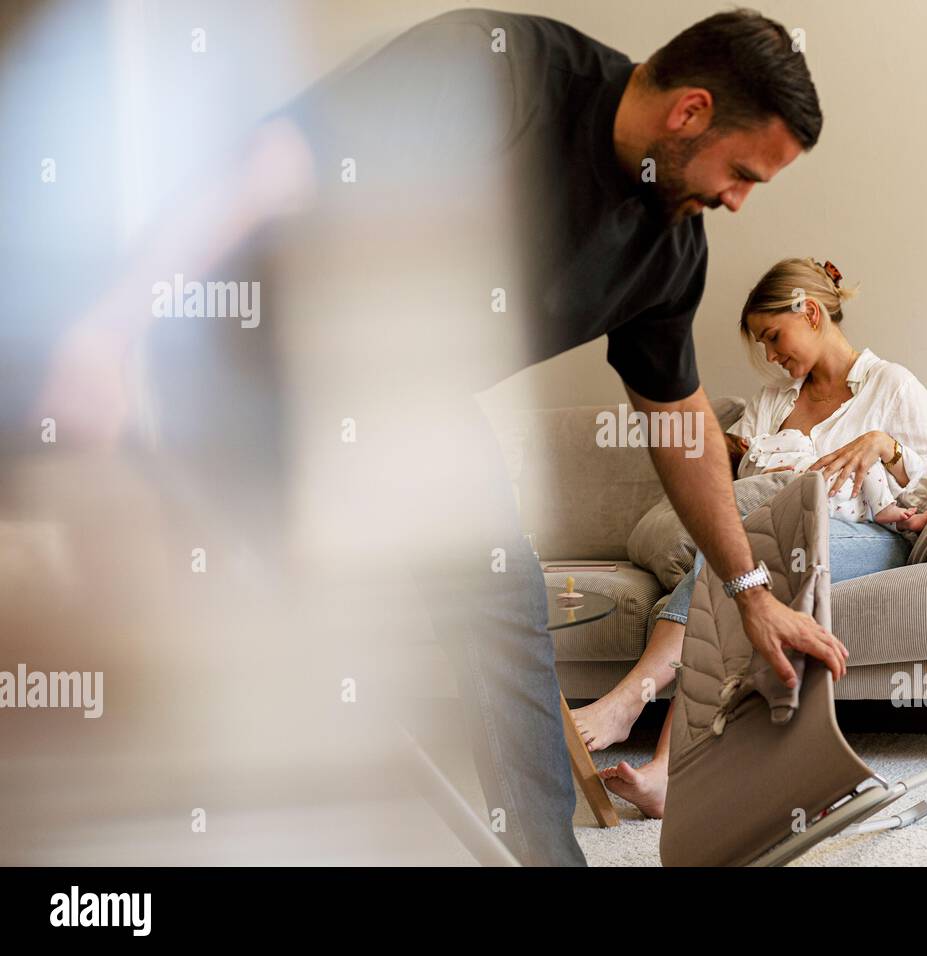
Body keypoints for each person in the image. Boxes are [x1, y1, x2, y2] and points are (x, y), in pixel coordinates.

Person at [36, 10, 849, 866]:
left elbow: (679, 421)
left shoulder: (670, 247)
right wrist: (113, 330)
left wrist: (751, 592)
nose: (737, 199)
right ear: (688, 112)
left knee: (500, 601)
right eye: (744, 172)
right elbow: (275, 164)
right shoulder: (503, 72)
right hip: (243, 356)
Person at [577, 257, 927, 819]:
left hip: (867, 534)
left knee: (743, 564)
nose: (772, 356)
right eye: (764, 345)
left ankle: (631, 704)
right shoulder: (773, 401)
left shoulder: (891, 386)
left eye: (774, 337)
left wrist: (887, 447)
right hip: (773, 530)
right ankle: (664, 772)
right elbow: (738, 481)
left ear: (809, 312)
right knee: (732, 565)